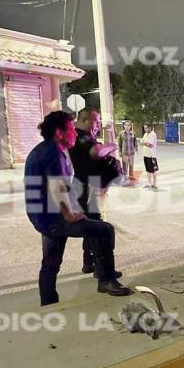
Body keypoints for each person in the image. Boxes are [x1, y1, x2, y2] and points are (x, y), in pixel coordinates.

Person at [24, 111, 130, 305]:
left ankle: (48, 302)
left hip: (41, 216)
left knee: (50, 263)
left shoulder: (44, 149)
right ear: (59, 133)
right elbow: (58, 187)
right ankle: (106, 280)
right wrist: (69, 214)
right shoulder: (53, 152)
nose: (74, 133)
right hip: (53, 217)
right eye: (71, 129)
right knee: (105, 230)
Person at [70, 108, 122, 278]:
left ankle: (89, 263)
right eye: (96, 121)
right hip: (83, 189)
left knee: (91, 227)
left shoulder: (78, 136)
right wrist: (111, 146)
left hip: (84, 187)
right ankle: (103, 272)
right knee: (100, 229)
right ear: (85, 120)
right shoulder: (81, 137)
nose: (97, 125)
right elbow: (97, 151)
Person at [140, 123, 159, 188]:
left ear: (150, 127)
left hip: (152, 156)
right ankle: (149, 183)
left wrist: (144, 143)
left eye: (146, 128)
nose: (145, 129)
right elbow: (141, 142)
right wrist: (144, 143)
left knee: (153, 170)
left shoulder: (153, 134)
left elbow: (150, 145)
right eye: (144, 128)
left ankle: (155, 184)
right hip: (145, 155)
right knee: (148, 170)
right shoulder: (145, 134)